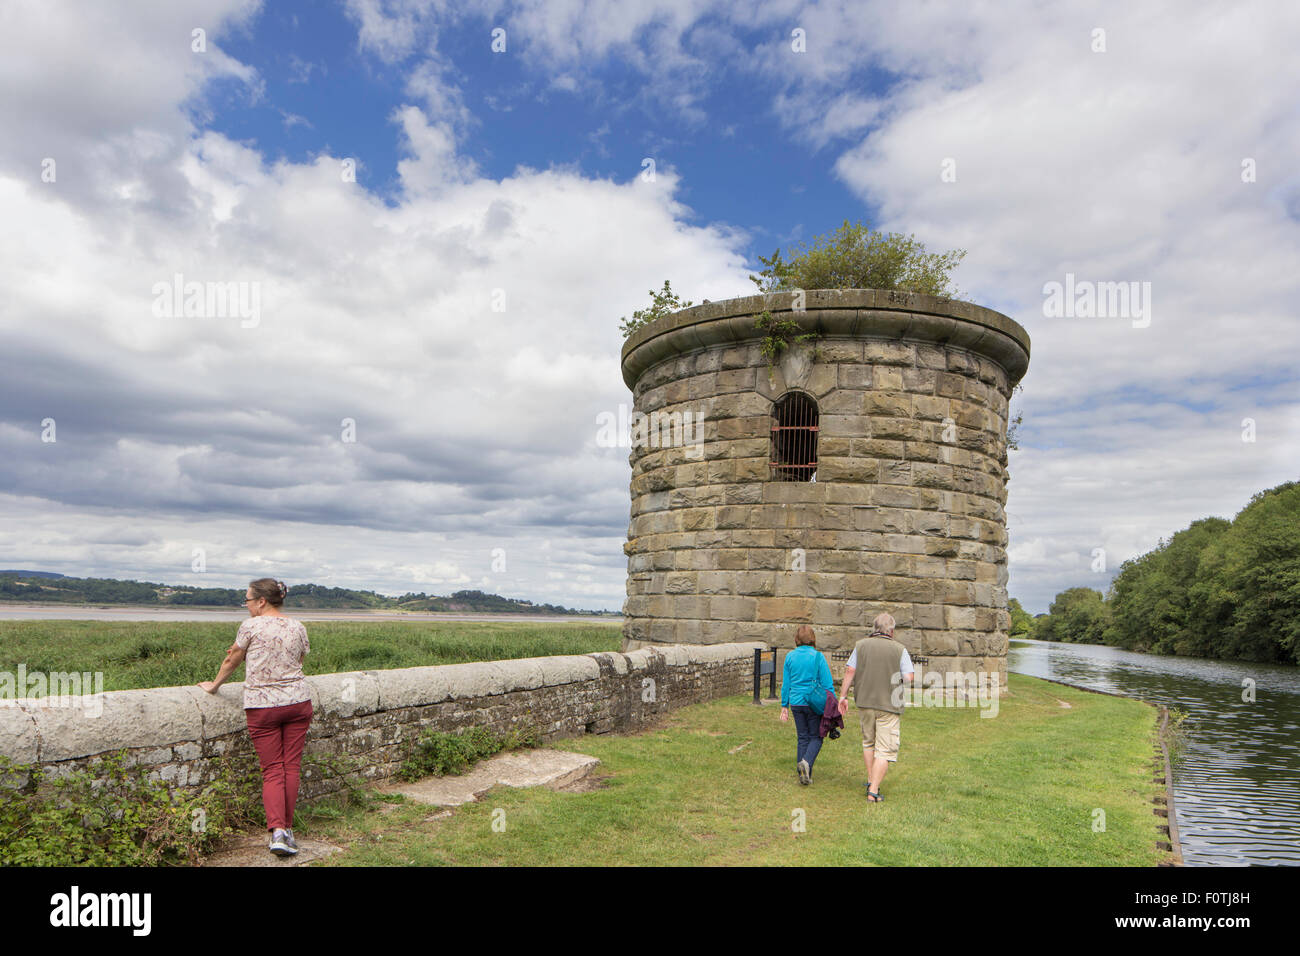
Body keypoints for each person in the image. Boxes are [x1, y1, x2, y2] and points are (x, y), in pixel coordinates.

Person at [199, 578, 312, 857]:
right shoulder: (297, 626)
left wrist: (213, 686)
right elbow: (298, 660)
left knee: (273, 769)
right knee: (291, 767)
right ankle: (286, 830)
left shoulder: (251, 626)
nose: (247, 605)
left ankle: (278, 832)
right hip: (298, 703)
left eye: (248, 600)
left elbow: (231, 660)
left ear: (261, 601)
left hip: (263, 707)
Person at [838, 612, 914, 802]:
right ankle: (873, 790)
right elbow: (909, 677)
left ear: (875, 628)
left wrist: (843, 695)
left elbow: (850, 670)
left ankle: (871, 779)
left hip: (865, 702)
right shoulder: (899, 649)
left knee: (868, 743)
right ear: (892, 630)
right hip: (889, 704)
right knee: (885, 749)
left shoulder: (861, 646)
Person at [779, 625, 835, 785]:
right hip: (814, 702)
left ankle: (803, 774)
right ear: (813, 638)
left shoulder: (790, 656)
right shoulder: (818, 657)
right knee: (817, 737)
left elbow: (786, 684)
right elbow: (827, 683)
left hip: (796, 701)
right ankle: (807, 763)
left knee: (802, 737)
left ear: (796, 639)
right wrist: (833, 704)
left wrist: (784, 705)